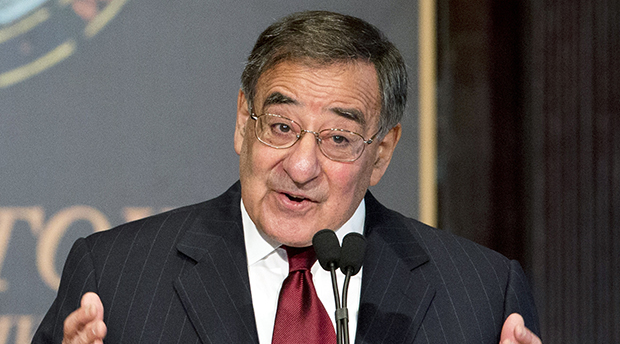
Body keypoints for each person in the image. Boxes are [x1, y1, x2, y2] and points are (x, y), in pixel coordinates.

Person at [32, 10, 542, 344]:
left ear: (382, 152)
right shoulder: (116, 279)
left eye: (338, 139)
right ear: (242, 122)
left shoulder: (480, 295)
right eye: (281, 127)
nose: (300, 167)